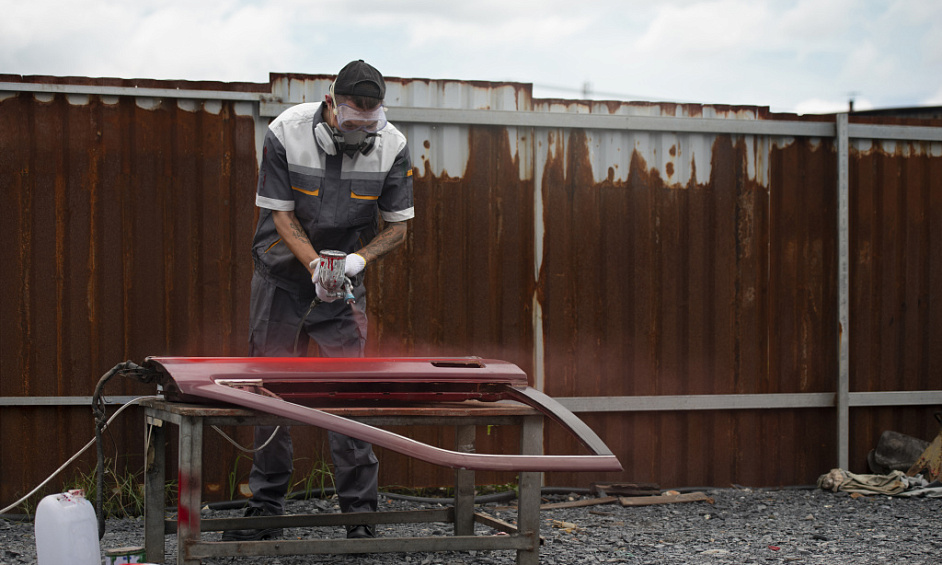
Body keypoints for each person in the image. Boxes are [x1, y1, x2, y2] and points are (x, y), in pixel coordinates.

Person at [223, 60, 414, 542]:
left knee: (347, 396)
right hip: (282, 279)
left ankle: (360, 516)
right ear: (331, 102)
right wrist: (314, 266)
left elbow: (398, 227)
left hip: (343, 290)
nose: (360, 129)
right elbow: (282, 217)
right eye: (353, 119)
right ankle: (265, 510)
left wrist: (355, 263)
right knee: (269, 393)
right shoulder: (286, 132)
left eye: (370, 120)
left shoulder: (392, 144)